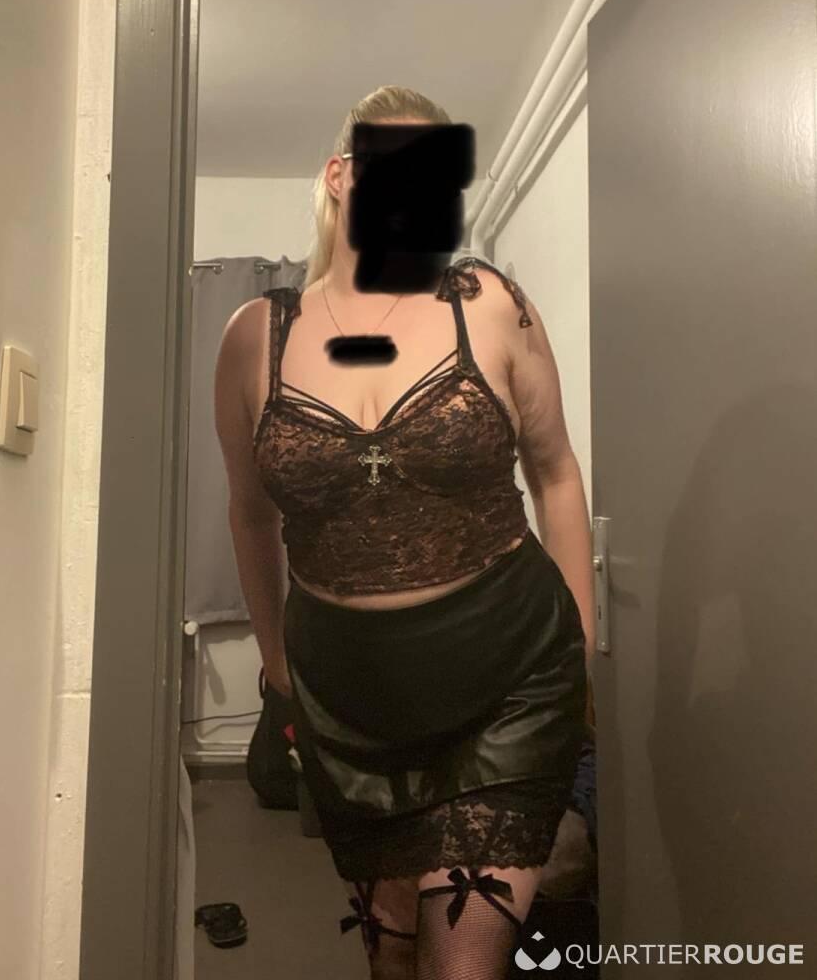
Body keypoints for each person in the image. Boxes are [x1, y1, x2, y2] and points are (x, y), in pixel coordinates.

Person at [214, 84, 595, 979]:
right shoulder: (254, 335)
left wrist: (580, 647)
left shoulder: (490, 302)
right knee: (389, 949)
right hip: (348, 700)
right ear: (340, 175)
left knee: (462, 963)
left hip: (508, 679)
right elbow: (250, 513)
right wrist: (276, 666)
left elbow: (555, 474)